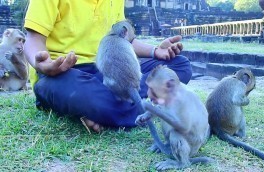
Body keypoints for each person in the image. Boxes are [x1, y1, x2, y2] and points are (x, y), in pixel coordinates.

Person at [24, 1, 192, 132]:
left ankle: (102, 111)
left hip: (107, 69)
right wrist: (43, 64)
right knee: (77, 93)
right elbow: (33, 40)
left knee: (179, 66)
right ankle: (146, 107)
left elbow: (123, 40)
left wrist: (156, 51)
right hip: (67, 73)